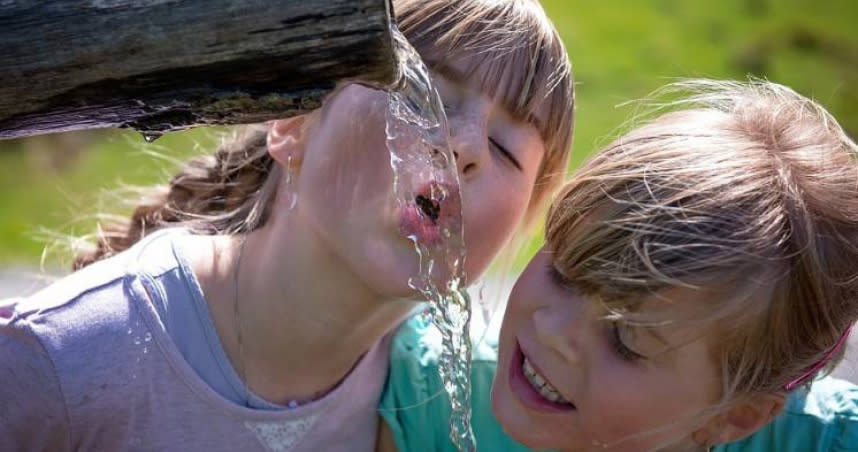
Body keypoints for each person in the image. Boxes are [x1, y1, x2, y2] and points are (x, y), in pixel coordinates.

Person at [0, 1, 574, 451]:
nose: (465, 147)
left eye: (505, 149)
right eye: (424, 99)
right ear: (294, 123)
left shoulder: (444, 403)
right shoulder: (63, 359)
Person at [380, 79, 858, 451]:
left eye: (625, 338)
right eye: (563, 272)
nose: (552, 330)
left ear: (734, 416)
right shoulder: (429, 400)